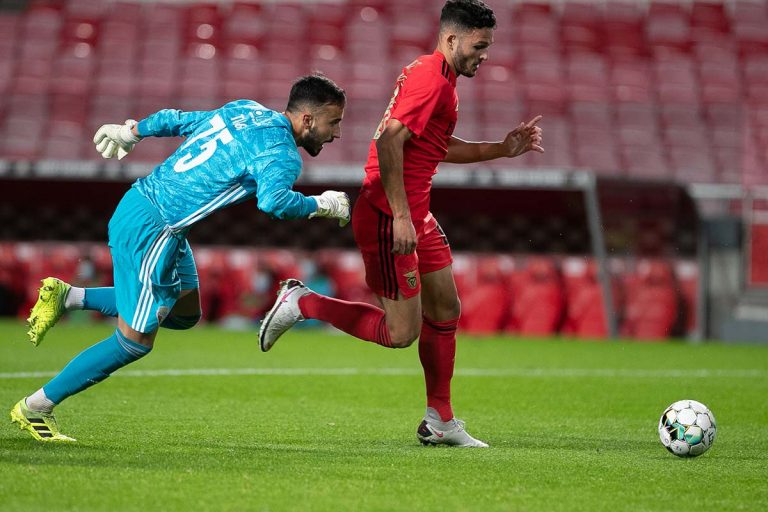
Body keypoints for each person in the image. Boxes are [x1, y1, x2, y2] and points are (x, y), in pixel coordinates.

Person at [259, 0, 543, 448]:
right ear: (452, 39)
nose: (485, 54)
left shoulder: (437, 77)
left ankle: (439, 420)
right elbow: (390, 140)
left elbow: (434, 145)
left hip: (414, 213)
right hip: (389, 215)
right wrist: (403, 217)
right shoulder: (432, 79)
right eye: (479, 45)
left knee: (446, 309)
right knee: (400, 334)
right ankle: (302, 302)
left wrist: (500, 149)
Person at [12, 74, 351, 442]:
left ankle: (69, 297)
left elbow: (176, 118)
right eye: (333, 123)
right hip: (154, 229)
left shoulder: (244, 110)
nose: (336, 134)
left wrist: (133, 131)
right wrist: (322, 204)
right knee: (134, 342)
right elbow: (274, 202)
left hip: (154, 216)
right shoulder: (282, 154)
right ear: (307, 119)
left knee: (186, 314)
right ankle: (36, 406)